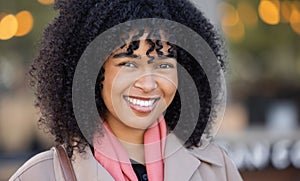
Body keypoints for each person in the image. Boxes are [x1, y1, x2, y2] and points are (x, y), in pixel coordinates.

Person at [10, 0, 243, 180]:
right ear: (95, 72)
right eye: (129, 64)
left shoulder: (216, 168)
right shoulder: (41, 175)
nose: (148, 84)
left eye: (163, 65)